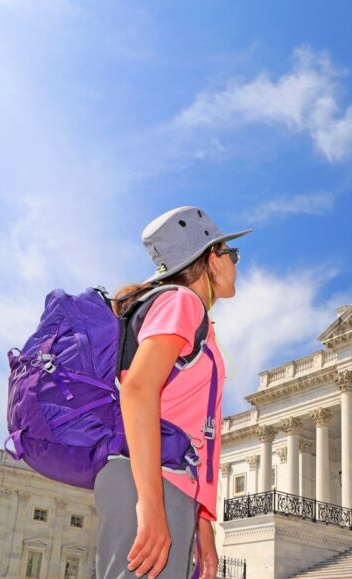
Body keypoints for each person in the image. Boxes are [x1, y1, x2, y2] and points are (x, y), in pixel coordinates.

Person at [96, 206, 250, 579]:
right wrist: (151, 506)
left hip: (165, 481)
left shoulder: (186, 310)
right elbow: (137, 389)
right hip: (153, 481)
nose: (236, 263)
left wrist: (202, 525)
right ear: (212, 258)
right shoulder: (181, 302)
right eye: (233, 254)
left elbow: (187, 425)